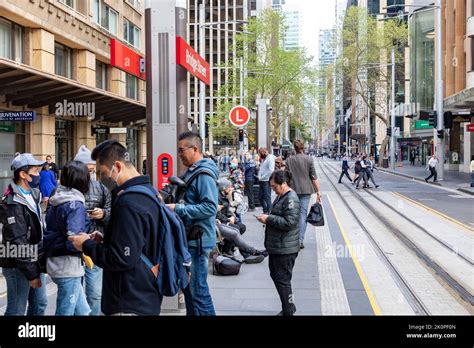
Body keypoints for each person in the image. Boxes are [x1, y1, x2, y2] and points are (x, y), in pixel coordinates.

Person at [68, 140, 167, 315]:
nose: (100, 179)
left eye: (102, 173)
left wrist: (86, 245)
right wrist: (106, 240)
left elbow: (121, 258)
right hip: (144, 293)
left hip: (128, 300)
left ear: (118, 166)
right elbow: (136, 243)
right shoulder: (149, 192)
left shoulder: (129, 202)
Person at [166, 131, 219, 316]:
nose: (179, 154)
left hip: (198, 241)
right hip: (190, 240)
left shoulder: (203, 174)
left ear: (195, 149)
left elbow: (210, 208)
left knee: (198, 293)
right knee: (189, 291)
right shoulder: (192, 172)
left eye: (182, 150)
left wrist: (178, 209)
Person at [0, 153, 48, 316]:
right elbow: (18, 241)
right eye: (35, 171)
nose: (38, 175)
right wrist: (32, 273)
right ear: (23, 174)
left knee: (40, 304)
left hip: (34, 260)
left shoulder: (33, 194)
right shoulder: (12, 202)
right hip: (17, 264)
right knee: (16, 310)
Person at [43, 160, 91, 316]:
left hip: (55, 260)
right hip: (68, 265)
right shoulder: (75, 204)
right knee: (66, 311)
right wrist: (89, 241)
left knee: (83, 311)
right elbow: (74, 240)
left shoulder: (57, 200)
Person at [73, 145, 111, 316]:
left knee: (95, 293)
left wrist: (103, 213)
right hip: (72, 250)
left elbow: (112, 213)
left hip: (94, 247)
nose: (91, 174)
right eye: (87, 170)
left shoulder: (101, 188)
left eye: (93, 170)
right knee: (73, 294)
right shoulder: (64, 190)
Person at [256, 170, 300, 316]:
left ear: (284, 184)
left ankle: (288, 310)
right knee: (276, 276)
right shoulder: (281, 196)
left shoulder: (291, 199)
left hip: (285, 248)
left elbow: (290, 222)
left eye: (275, 186)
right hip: (278, 246)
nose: (273, 189)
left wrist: (268, 219)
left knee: (282, 280)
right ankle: (288, 306)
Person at [285, 139, 321, 249]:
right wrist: (318, 192)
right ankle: (300, 240)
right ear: (303, 147)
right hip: (306, 190)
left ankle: (292, 238)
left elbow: (286, 177)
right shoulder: (309, 159)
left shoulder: (289, 160)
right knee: (302, 215)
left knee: (292, 214)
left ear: (294, 148)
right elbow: (313, 177)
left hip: (292, 190)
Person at [257, 147, 276, 215]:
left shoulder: (270, 158)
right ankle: (266, 210)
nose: (260, 154)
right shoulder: (265, 159)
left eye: (260, 153)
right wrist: (260, 176)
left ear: (264, 152)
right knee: (260, 197)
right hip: (262, 180)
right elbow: (261, 169)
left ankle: (269, 212)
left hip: (266, 181)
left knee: (267, 197)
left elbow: (271, 170)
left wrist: (262, 177)